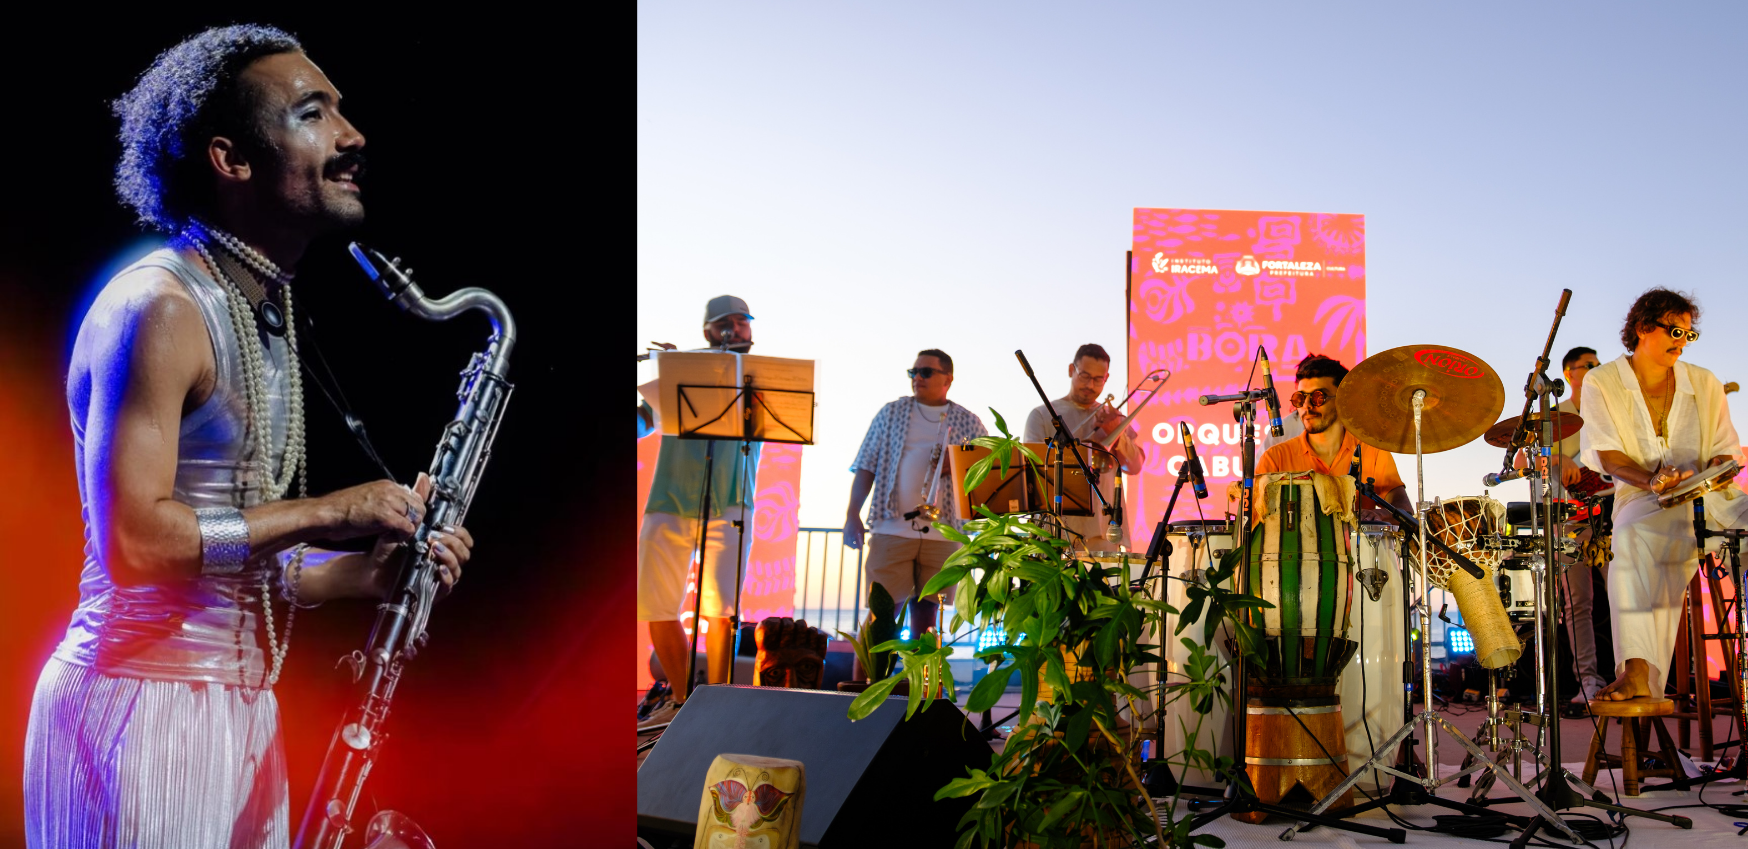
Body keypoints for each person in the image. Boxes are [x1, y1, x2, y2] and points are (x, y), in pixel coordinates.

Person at [25, 26, 476, 848]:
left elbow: (225, 550)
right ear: (231, 160)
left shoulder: (258, 308)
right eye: (313, 113)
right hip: (140, 705)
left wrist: (359, 573)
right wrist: (328, 510)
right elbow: (137, 545)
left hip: (237, 713)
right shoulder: (160, 306)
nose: (352, 135)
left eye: (341, 109)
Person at [1579, 288, 1746, 701]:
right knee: (1628, 541)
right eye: (1674, 331)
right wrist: (1651, 480)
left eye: (1689, 334)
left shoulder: (1705, 382)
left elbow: (1727, 450)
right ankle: (1637, 670)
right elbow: (1607, 453)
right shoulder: (1602, 381)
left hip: (1713, 500)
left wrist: (1715, 467)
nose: (1682, 341)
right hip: (1643, 502)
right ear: (1643, 327)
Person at [637, 295, 762, 720]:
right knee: (657, 604)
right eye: (725, 323)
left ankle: (718, 707)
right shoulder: (680, 373)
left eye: (742, 321)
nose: (735, 329)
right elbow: (641, 423)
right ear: (707, 331)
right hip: (669, 498)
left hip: (731, 501)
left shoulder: (762, 378)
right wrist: (667, 374)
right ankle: (680, 701)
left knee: (722, 610)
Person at [845, 350, 988, 646]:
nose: (917, 378)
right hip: (891, 528)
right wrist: (851, 515)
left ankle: (921, 677)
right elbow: (866, 465)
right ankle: (869, 677)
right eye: (913, 372)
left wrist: (959, 465)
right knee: (881, 618)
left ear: (948, 379)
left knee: (928, 621)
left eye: (926, 372)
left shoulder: (969, 421)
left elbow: (987, 471)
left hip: (944, 532)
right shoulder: (891, 413)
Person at [1252, 354, 1415, 521]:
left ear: (1343, 399)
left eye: (1318, 397)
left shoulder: (1371, 451)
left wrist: (1379, 514)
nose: (1307, 405)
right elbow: (1252, 521)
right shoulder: (1275, 458)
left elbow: (1404, 509)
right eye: (1300, 398)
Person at [1022, 344, 1144, 552]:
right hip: (1055, 530)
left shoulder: (1113, 417)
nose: (1090, 385)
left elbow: (1135, 466)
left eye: (1098, 379)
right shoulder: (1042, 415)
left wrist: (1116, 432)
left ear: (1106, 378)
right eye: (1085, 376)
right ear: (1072, 370)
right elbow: (1032, 471)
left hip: (1103, 533)